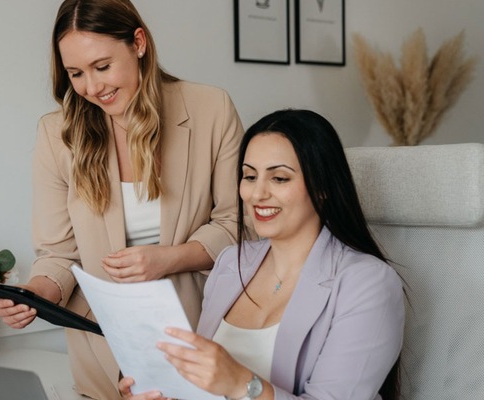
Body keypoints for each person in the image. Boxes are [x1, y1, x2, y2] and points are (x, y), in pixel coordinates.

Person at [0, 0, 245, 398]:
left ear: (138, 43)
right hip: (101, 351)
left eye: (102, 66)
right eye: (76, 73)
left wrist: (168, 259)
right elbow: (58, 253)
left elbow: (238, 225)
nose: (92, 88)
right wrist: (36, 294)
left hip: (196, 337)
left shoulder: (211, 109)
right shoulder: (57, 135)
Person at [118, 109, 404, 400]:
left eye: (279, 178)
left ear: (322, 187)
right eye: (250, 176)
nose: (257, 194)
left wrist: (241, 384)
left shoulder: (368, 283)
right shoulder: (230, 263)